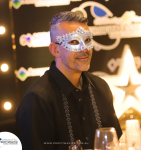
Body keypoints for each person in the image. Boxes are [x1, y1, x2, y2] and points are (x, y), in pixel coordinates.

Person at [15, 11, 122, 150]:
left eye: (87, 40)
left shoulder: (100, 87)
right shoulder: (37, 100)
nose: (84, 48)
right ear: (55, 50)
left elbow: (114, 143)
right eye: (74, 41)